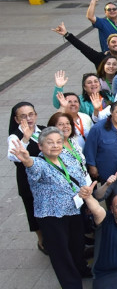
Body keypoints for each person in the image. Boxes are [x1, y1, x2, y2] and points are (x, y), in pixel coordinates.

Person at [9, 128, 92, 288]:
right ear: (40, 146)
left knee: (77, 245)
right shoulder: (38, 163)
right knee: (61, 253)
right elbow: (33, 169)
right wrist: (26, 160)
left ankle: (80, 269)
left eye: (58, 142)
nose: (55, 145)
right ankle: (71, 284)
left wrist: (84, 190)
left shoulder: (66, 156)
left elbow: (79, 175)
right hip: (51, 216)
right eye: (50, 142)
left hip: (73, 210)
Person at [7, 102, 46, 253]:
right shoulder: (15, 136)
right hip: (28, 181)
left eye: (31, 114)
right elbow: (12, 156)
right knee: (33, 210)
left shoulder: (42, 130)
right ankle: (42, 241)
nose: (28, 118)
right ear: (16, 119)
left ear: (35, 115)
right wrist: (25, 139)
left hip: (45, 179)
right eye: (23, 116)